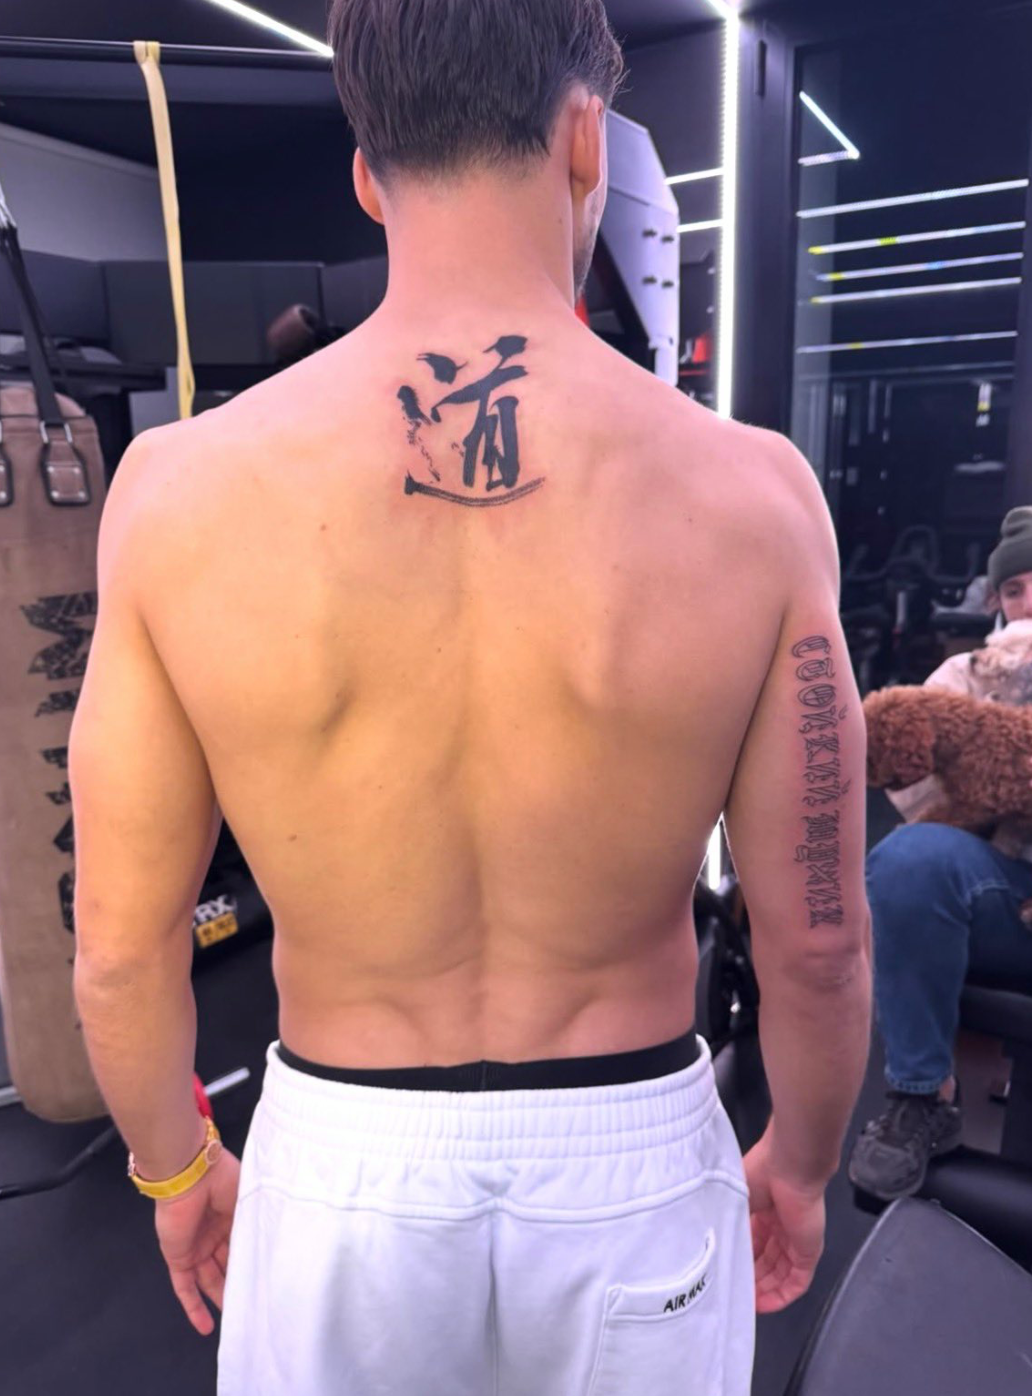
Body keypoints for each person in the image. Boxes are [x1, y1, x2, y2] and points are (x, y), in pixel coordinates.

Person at [69, 3, 871, 1392]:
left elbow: (121, 953)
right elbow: (818, 942)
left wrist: (177, 1169)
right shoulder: (756, 500)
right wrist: (800, 1164)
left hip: (344, 1170)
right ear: (586, 144)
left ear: (369, 177)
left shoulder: (176, 497)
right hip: (631, 1157)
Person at [849, 506, 1032, 1201]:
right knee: (909, 860)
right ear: (995, 603)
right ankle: (921, 1096)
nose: (1028, 602)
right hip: (1005, 893)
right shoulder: (959, 676)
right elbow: (915, 793)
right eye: (1013, 590)